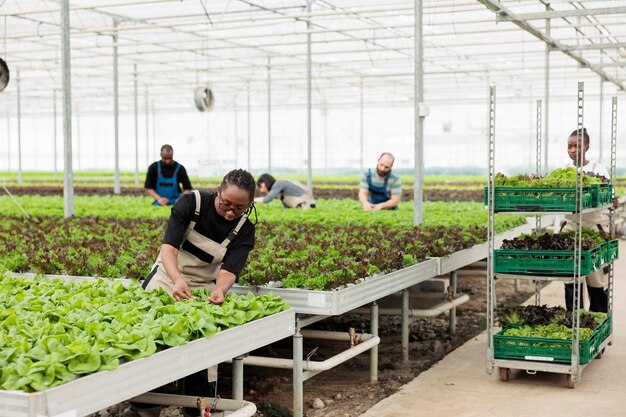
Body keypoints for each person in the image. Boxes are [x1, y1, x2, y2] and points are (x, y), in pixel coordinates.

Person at [129, 169, 257, 417]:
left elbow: (229, 270)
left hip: (203, 286)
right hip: (167, 278)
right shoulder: (192, 203)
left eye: (239, 208)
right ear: (218, 191)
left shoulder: (245, 229)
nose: (231, 211)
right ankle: (145, 407)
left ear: (249, 205)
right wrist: (177, 280)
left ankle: (197, 409)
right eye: (226, 204)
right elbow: (168, 249)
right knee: (151, 337)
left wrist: (220, 290)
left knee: (203, 345)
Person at [561, 128, 619, 313]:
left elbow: (608, 197)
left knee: (595, 277)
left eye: (576, 146)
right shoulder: (565, 171)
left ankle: (598, 321)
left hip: (594, 228)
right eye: (569, 146)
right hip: (570, 228)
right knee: (571, 278)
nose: (572, 150)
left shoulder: (597, 169)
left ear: (586, 147)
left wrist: (612, 200)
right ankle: (574, 322)